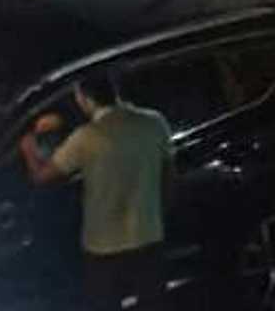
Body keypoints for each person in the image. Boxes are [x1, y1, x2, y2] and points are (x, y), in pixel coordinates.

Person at [20, 70, 172, 311]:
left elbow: (42, 177)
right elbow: (168, 176)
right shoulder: (154, 122)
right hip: (148, 236)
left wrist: (28, 148)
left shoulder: (87, 138)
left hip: (104, 247)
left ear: (85, 98)